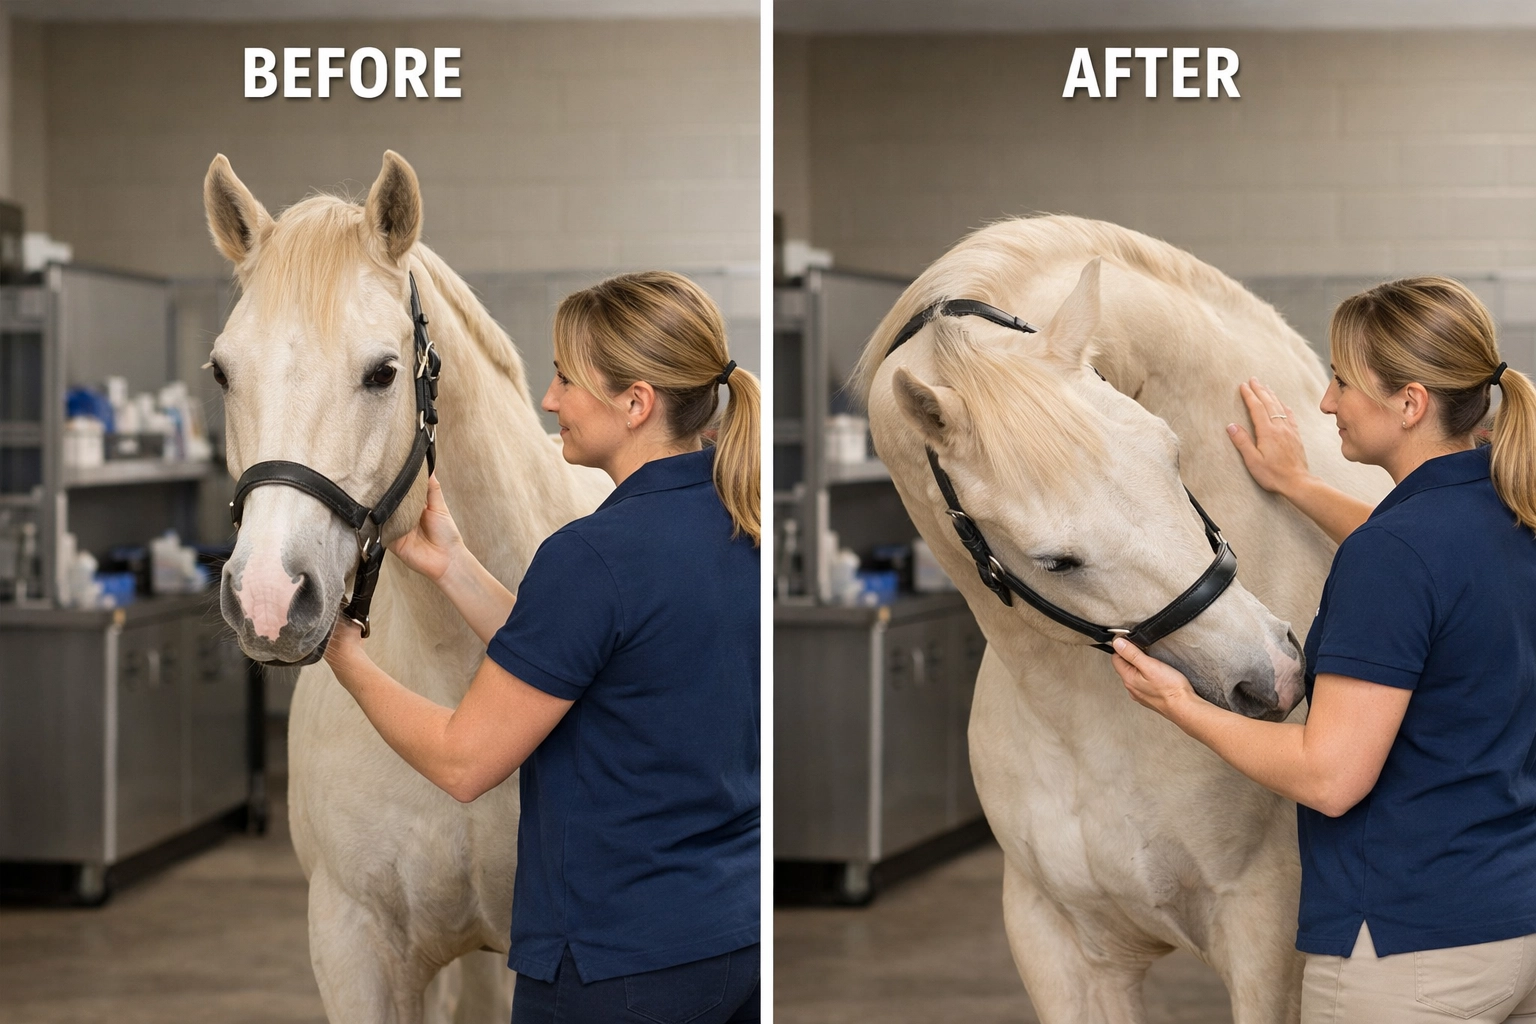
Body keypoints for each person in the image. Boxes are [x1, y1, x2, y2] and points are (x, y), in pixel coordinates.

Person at [323, 270, 760, 1024]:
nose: (550, 400)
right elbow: (591, 657)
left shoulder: (592, 556)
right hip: (733, 940)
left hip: (610, 966)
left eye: (565, 378)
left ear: (636, 403)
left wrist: (351, 665)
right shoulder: (736, 519)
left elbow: (466, 762)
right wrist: (454, 566)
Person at [1110, 276, 1536, 1022]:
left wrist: (1180, 706)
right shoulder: (1509, 511)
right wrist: (1300, 486)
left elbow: (1331, 776)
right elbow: (1424, 565)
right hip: (1513, 923)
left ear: (1409, 403)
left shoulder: (1395, 554)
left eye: (1342, 381)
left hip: (1410, 954)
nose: (1326, 402)